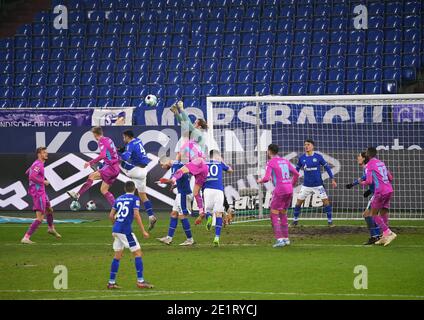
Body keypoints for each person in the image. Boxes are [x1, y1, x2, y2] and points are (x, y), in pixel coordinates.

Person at [107, 181, 153, 289]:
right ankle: (140, 281)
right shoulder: (135, 199)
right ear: (135, 189)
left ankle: (111, 282)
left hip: (117, 229)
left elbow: (110, 216)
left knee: (117, 256)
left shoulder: (118, 199)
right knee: (138, 253)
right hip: (125, 231)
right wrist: (143, 231)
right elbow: (136, 215)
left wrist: (116, 227)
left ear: (125, 189)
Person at [170, 100, 209, 218]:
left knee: (180, 175)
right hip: (201, 165)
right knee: (195, 192)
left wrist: (181, 110)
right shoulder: (194, 135)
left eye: (196, 122)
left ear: (199, 125)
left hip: (196, 163)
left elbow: (187, 124)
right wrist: (176, 114)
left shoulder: (198, 132)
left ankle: (173, 182)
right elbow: (184, 125)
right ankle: (202, 211)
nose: (194, 123)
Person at [257, 144, 299, 248]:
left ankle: (279, 239)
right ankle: (286, 239)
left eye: (267, 151)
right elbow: (296, 174)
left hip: (280, 190)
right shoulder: (285, 160)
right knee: (283, 213)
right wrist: (291, 185)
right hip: (289, 190)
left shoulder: (271, 162)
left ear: (269, 151)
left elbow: (266, 178)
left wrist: (260, 181)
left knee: (274, 214)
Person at [67, 127, 119, 208]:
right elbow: (113, 152)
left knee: (91, 176)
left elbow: (103, 155)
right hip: (116, 168)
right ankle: (117, 208)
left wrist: (90, 162)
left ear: (95, 134)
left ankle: (77, 195)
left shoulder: (101, 141)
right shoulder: (109, 139)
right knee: (104, 190)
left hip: (110, 167)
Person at [292, 139, 337, 227]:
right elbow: (296, 171)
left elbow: (327, 168)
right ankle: (295, 220)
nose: (306, 146)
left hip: (318, 185)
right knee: (298, 203)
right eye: (305, 145)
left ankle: (330, 221)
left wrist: (332, 179)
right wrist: (293, 181)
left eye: (308, 144)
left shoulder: (318, 157)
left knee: (326, 202)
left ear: (312, 146)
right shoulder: (302, 158)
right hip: (306, 186)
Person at [119, 130, 157, 230]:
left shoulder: (130, 144)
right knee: (142, 195)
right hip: (144, 170)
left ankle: (100, 167)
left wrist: (119, 153)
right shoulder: (138, 140)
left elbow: (126, 157)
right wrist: (124, 149)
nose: (123, 139)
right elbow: (135, 151)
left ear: (127, 137)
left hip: (136, 171)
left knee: (118, 162)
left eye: (124, 137)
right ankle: (151, 216)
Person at [21, 147, 61, 244]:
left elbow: (28, 172)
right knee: (40, 217)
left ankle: (51, 228)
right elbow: (31, 176)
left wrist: (32, 170)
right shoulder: (38, 164)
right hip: (38, 193)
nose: (46, 154)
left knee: (49, 210)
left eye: (46, 152)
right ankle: (26, 237)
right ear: (39, 154)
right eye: (44, 153)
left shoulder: (38, 164)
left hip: (42, 191)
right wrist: (43, 181)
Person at [361, 147, 396, 246]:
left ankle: (388, 233)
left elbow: (369, 181)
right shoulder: (381, 163)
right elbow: (390, 178)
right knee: (383, 212)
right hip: (389, 190)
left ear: (367, 155)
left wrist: (361, 182)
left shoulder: (369, 165)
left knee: (373, 213)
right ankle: (384, 236)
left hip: (380, 192)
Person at [156, 156, 194, 246]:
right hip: (180, 193)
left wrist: (164, 181)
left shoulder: (177, 165)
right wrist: (174, 185)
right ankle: (169, 238)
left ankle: (190, 239)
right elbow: (181, 178)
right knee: (174, 214)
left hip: (184, 194)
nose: (162, 167)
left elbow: (175, 178)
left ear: (166, 162)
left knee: (182, 216)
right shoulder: (175, 166)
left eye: (162, 165)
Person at [346, 152, 381, 245]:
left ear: (364, 158)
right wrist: (369, 190)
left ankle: (376, 236)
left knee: (366, 215)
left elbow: (366, 179)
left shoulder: (367, 167)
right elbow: (367, 178)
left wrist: (354, 184)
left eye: (359, 156)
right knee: (373, 215)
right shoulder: (368, 167)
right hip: (380, 192)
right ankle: (378, 235)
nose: (357, 158)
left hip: (378, 193)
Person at [202, 150, 233, 246]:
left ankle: (209, 217)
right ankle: (217, 237)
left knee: (208, 211)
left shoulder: (203, 163)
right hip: (218, 191)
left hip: (207, 190)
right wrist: (222, 161)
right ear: (216, 156)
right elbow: (231, 170)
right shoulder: (219, 163)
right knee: (219, 214)